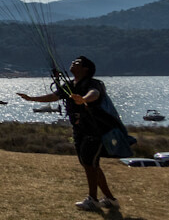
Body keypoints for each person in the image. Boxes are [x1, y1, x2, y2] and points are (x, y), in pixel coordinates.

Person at [18, 56, 120, 212]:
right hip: (79, 129)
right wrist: (31, 98)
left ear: (86, 69)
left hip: (94, 129)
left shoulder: (93, 83)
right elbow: (54, 96)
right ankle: (111, 200)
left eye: (77, 63)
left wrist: (83, 99)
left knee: (89, 164)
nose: (73, 63)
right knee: (90, 164)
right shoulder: (70, 85)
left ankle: (93, 199)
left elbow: (95, 94)